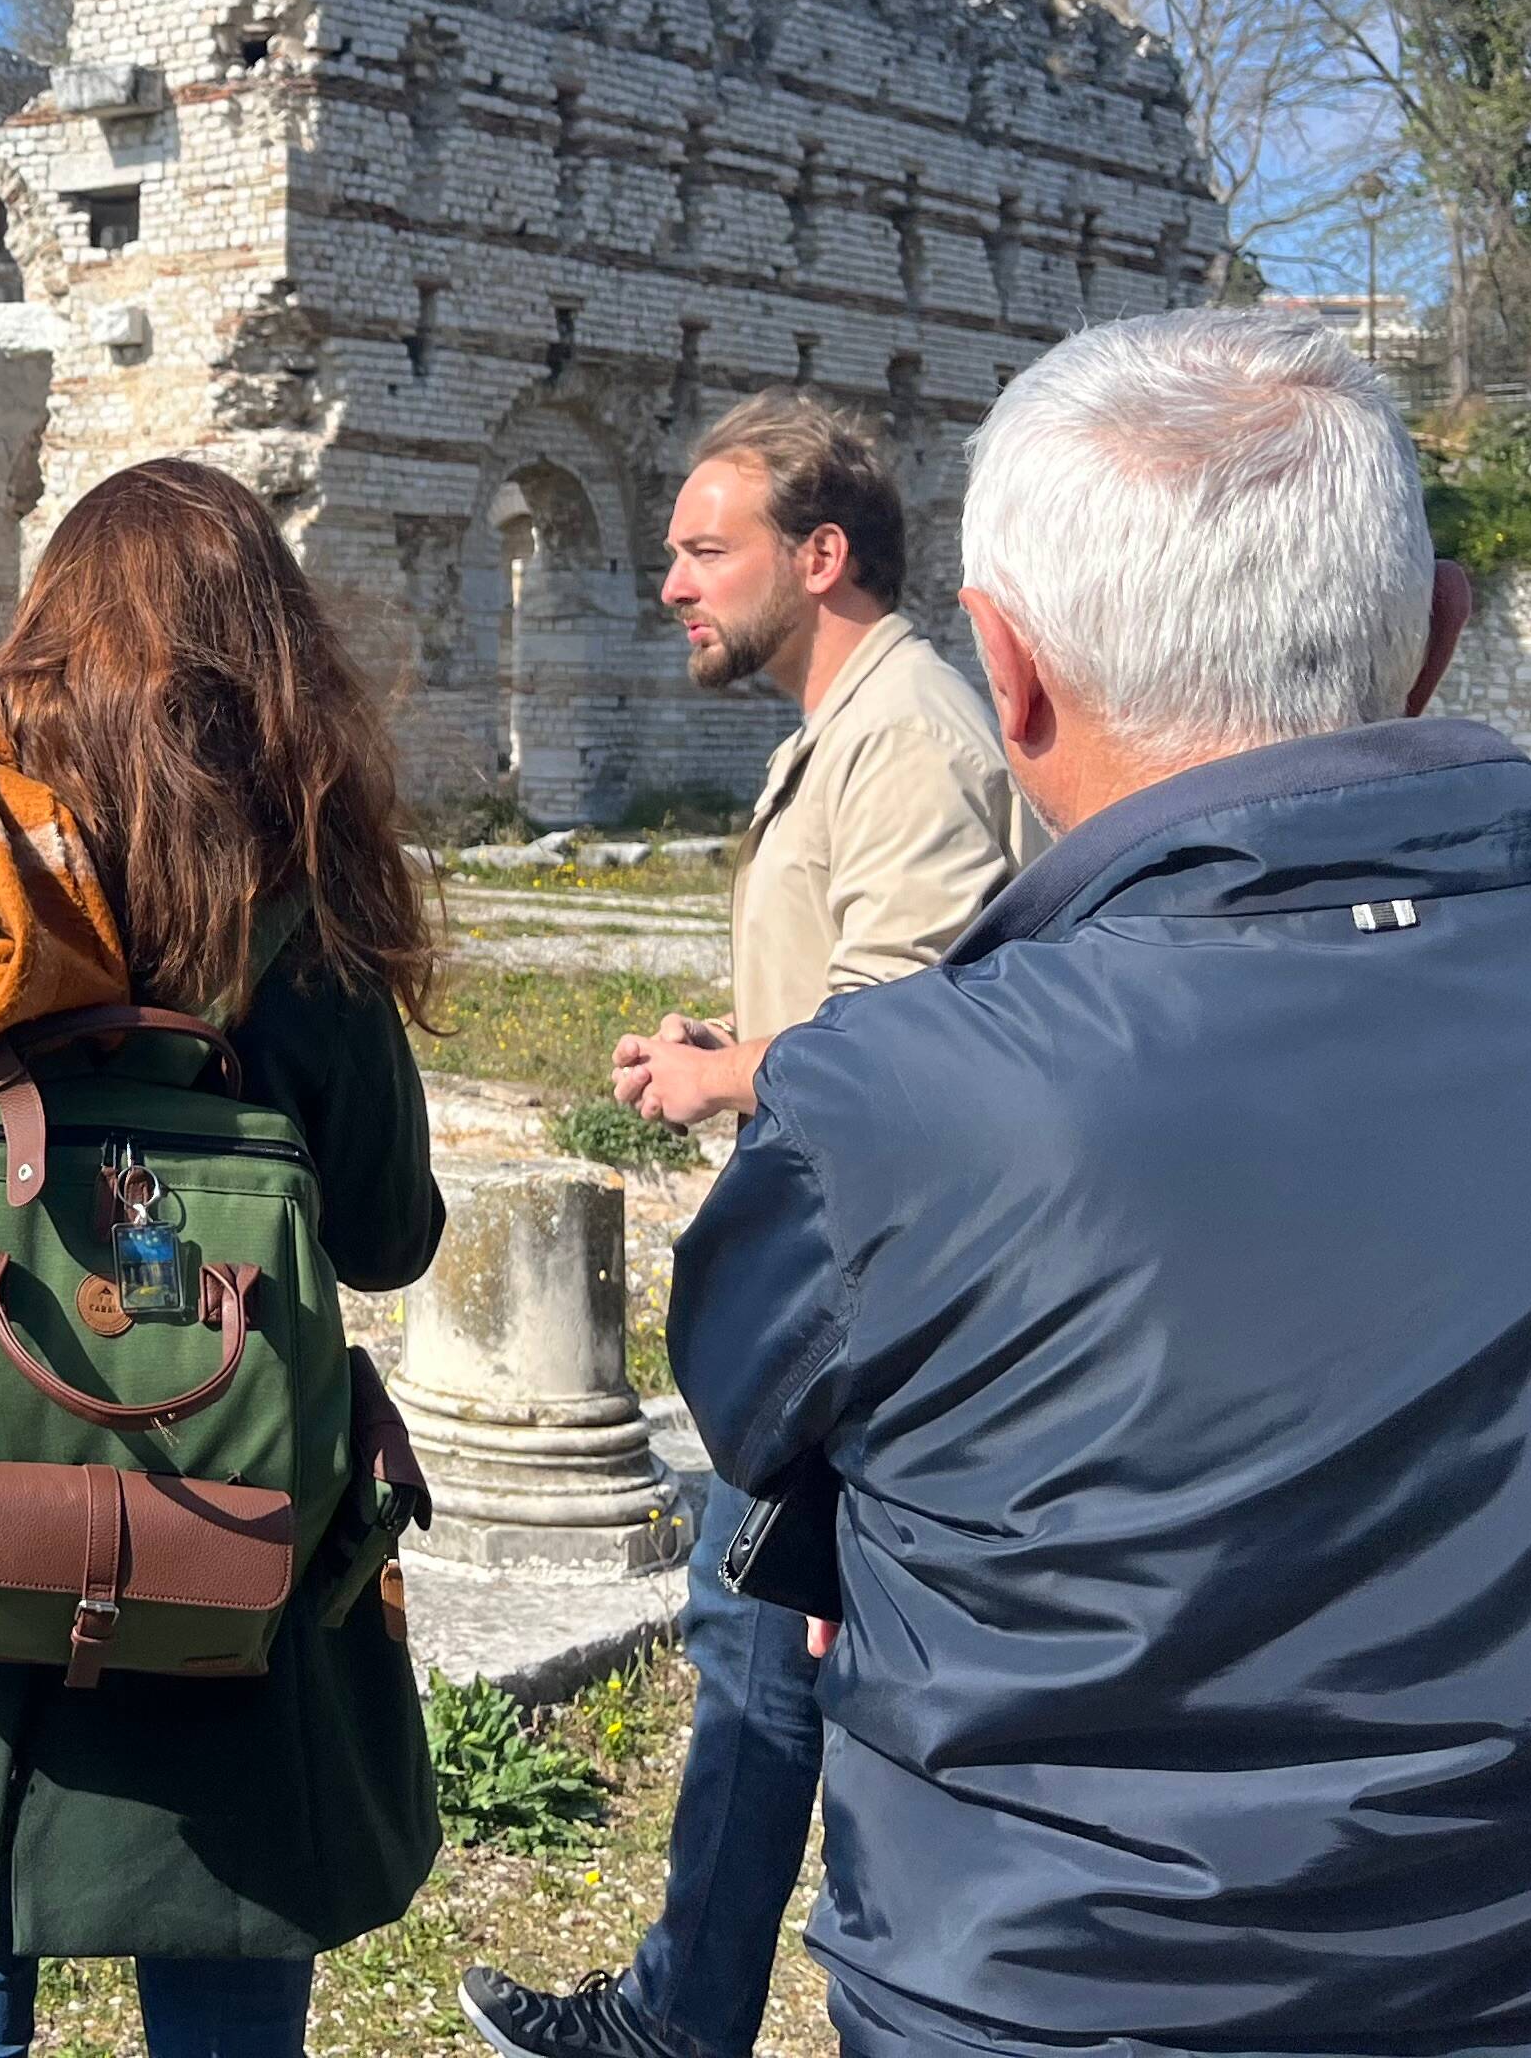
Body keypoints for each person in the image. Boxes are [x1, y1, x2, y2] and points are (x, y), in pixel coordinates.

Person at [671, 309, 1531, 2054]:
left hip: (1053, 2005)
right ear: (1442, 637)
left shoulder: (889, 1102)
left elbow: (753, 1417)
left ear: (1006, 675)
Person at [0, 459, 446, 2058]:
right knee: (230, 1993)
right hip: (235, 1530)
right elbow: (389, 1234)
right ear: (274, 659)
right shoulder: (301, 891)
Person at [466, 394, 1019, 2058]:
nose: (670, 587)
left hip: (878, 1308)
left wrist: (735, 1073)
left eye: (707, 552)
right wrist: (742, 1054)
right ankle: (683, 2011)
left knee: (804, 1671)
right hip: (828, 1291)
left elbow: (921, 1037)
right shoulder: (844, 726)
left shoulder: (910, 730)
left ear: (823, 555)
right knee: (756, 1656)